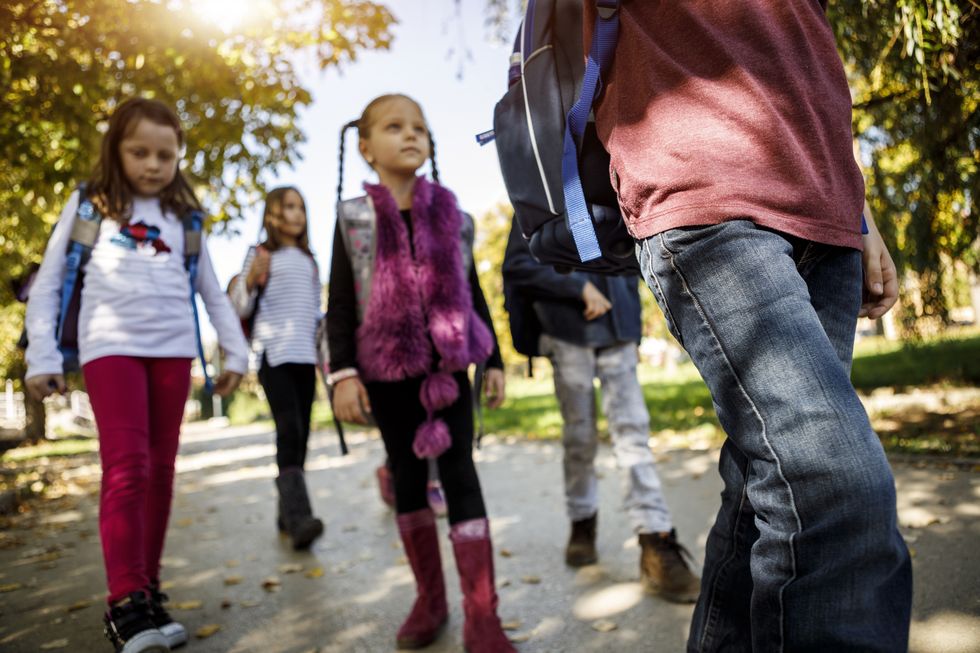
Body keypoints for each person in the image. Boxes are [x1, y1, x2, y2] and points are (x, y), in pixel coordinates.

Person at [583, 3, 912, 651]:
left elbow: (799, 55)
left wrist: (862, 212)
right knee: (834, 489)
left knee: (765, 492)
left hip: (825, 213)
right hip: (703, 193)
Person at [24, 97, 248, 653]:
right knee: (127, 468)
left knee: (163, 471)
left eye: (165, 154)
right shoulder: (90, 207)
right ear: (116, 150)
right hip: (110, 351)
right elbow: (50, 283)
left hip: (172, 353)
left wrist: (237, 355)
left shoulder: (186, 219)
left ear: (179, 156)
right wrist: (43, 356)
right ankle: (124, 603)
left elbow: (213, 295)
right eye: (140, 151)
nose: (153, 163)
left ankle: (147, 592)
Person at [327, 93, 516, 652]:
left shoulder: (453, 218)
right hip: (386, 372)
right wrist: (342, 374)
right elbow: (340, 302)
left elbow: (472, 292)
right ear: (366, 148)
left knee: (460, 473)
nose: (411, 136)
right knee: (408, 480)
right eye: (394, 127)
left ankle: (483, 615)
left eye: (419, 129)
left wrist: (495, 360)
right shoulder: (353, 220)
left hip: (449, 367)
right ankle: (430, 601)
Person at [502, 218, 700, 603]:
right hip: (567, 329)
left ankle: (654, 538)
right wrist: (578, 287)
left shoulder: (615, 168)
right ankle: (582, 521)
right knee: (580, 435)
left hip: (619, 328)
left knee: (633, 433)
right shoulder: (538, 183)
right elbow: (519, 265)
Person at [230, 186, 325, 550]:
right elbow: (238, 307)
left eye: (301, 207)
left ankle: (286, 513)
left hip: (305, 359)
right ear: (272, 214)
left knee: (301, 436)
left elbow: (314, 313)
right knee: (288, 430)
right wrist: (251, 278)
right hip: (274, 357)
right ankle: (300, 518)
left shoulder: (310, 261)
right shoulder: (260, 255)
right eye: (288, 207)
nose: (296, 214)